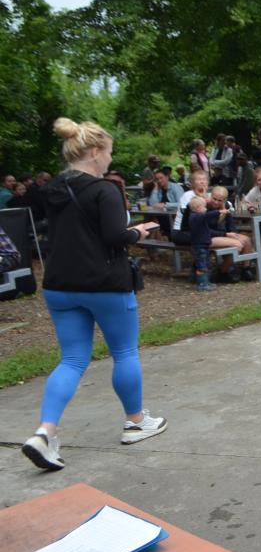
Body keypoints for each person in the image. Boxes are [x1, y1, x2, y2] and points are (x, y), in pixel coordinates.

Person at [21, 118, 166, 471]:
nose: (110, 160)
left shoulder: (50, 190)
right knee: (124, 352)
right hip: (105, 284)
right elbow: (115, 237)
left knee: (72, 359)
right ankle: (136, 422)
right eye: (109, 153)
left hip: (59, 285)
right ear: (96, 151)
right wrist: (139, 232)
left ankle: (44, 432)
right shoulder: (105, 190)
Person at [170, 170, 255, 282]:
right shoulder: (197, 203)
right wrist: (225, 234)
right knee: (237, 244)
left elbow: (230, 224)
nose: (215, 202)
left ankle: (246, 269)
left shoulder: (221, 204)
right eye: (214, 199)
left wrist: (232, 233)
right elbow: (202, 228)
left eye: (204, 180)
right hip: (195, 234)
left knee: (246, 240)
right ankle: (221, 271)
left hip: (212, 234)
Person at [186, 197, 221, 292]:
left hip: (204, 245)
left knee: (205, 264)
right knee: (202, 266)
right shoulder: (195, 217)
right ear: (198, 208)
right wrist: (218, 212)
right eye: (204, 207)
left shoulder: (198, 217)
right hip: (199, 246)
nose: (206, 209)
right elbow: (207, 215)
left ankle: (206, 282)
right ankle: (202, 284)